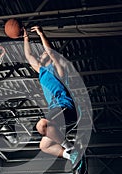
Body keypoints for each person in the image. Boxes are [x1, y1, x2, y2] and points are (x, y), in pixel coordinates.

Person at [23, 26, 79, 165]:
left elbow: (51, 52)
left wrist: (41, 33)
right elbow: (29, 56)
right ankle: (70, 155)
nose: (41, 55)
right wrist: (25, 38)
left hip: (65, 106)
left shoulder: (58, 69)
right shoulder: (42, 72)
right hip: (56, 111)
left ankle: (70, 147)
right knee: (44, 146)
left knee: (42, 125)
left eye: (43, 53)